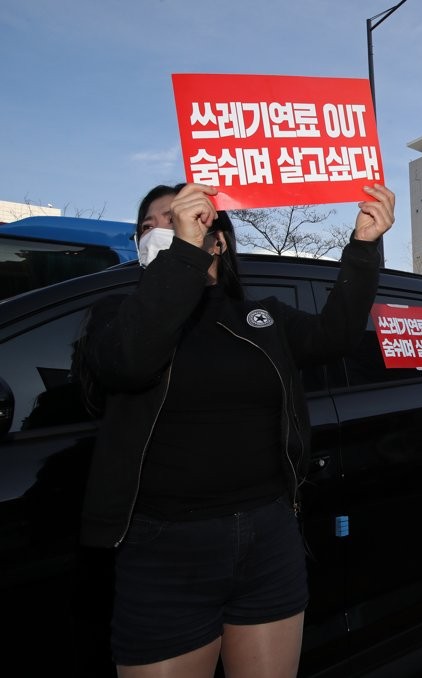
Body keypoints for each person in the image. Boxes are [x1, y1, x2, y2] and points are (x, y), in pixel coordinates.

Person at [77, 181, 395, 677]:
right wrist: (182, 252)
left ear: (219, 241)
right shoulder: (117, 316)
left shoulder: (259, 317)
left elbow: (335, 334)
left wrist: (364, 246)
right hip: (167, 550)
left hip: (268, 537)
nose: (161, 228)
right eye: (151, 225)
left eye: (183, 215)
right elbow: (130, 363)